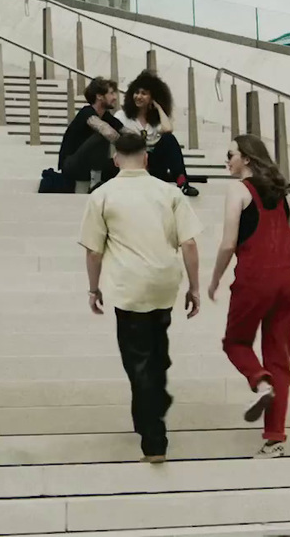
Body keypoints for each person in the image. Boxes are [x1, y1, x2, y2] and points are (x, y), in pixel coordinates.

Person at [81, 131, 203, 463]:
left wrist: (93, 289)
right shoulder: (169, 193)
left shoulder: (102, 195)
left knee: (137, 360)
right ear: (147, 158)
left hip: (129, 287)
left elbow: (93, 251)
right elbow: (189, 243)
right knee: (156, 349)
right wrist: (194, 287)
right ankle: (148, 410)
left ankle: (154, 439)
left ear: (115, 158)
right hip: (165, 283)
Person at [208, 135, 290, 459]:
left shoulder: (238, 190)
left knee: (236, 342)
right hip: (288, 280)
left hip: (255, 279)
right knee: (280, 359)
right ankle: (275, 438)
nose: (228, 161)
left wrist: (215, 279)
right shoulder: (284, 196)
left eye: (231, 155)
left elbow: (227, 243)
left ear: (247, 158)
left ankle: (259, 382)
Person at [117, 71, 199, 197]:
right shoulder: (122, 116)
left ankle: (183, 183)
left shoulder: (155, 121)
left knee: (168, 139)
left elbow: (168, 129)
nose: (138, 96)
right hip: (133, 163)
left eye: (144, 93)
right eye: (136, 92)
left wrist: (159, 107)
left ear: (152, 98)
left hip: (154, 166)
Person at [58, 77, 124, 187]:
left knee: (115, 165)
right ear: (99, 96)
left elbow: (125, 131)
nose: (115, 98)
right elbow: (107, 132)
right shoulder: (87, 112)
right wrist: (127, 145)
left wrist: (140, 140)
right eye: (111, 93)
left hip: (87, 164)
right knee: (102, 135)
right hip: (71, 164)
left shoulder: (106, 116)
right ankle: (95, 181)